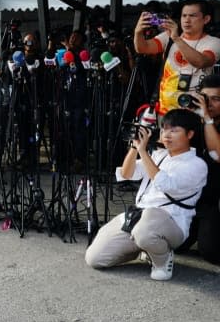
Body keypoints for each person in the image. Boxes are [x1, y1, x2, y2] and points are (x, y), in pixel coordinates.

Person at [85, 109, 207, 281]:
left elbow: (165, 185)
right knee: (95, 258)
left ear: (190, 134)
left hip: (172, 224)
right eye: (164, 129)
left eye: (174, 130)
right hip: (139, 217)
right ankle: (147, 249)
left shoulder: (197, 165)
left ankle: (162, 260)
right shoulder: (159, 155)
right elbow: (127, 174)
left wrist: (143, 151)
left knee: (148, 222)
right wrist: (135, 147)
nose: (167, 135)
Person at [134, 0, 220, 114]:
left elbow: (201, 62)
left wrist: (176, 38)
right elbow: (142, 48)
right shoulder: (167, 36)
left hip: (195, 111)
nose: (187, 20)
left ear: (206, 19)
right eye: (184, 16)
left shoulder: (213, 42)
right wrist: (138, 32)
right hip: (165, 111)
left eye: (192, 16)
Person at [177, 74, 220, 264]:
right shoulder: (193, 121)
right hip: (189, 198)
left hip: (213, 200)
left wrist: (207, 120)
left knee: (212, 253)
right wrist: (181, 119)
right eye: (205, 97)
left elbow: (217, 154)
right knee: (176, 245)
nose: (208, 103)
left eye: (215, 99)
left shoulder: (206, 120)